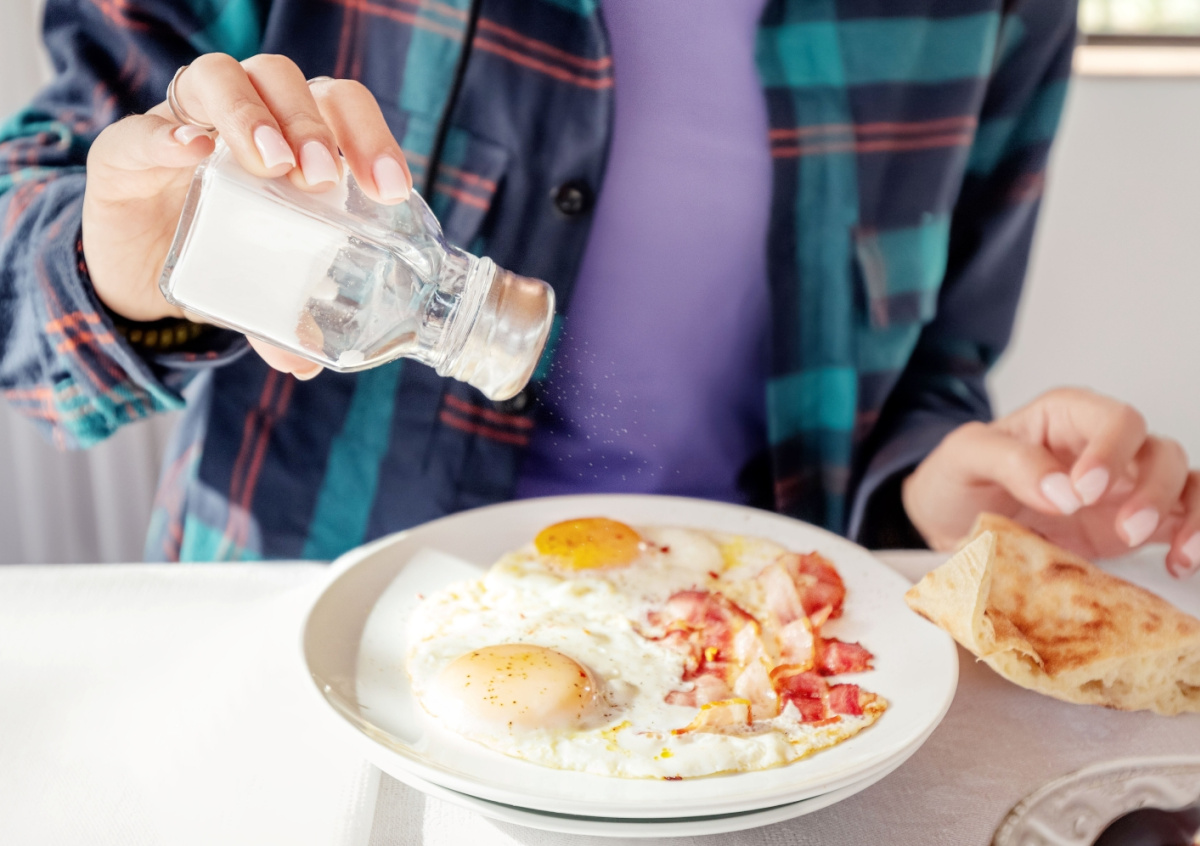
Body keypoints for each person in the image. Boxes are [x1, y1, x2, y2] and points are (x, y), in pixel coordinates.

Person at [0, 0, 1196, 575]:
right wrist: (123, 261)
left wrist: (937, 493)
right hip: (307, 648)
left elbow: (936, 369)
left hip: (749, 669)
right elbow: (23, 315)